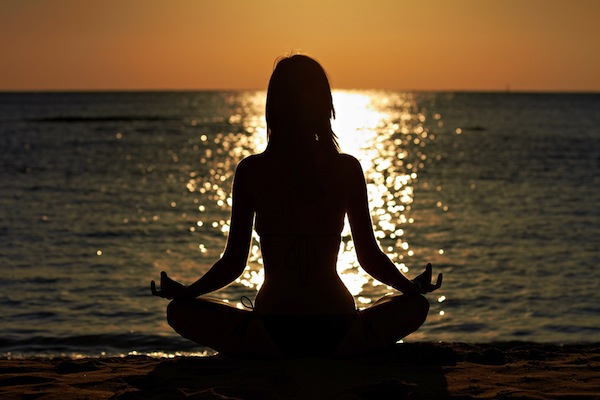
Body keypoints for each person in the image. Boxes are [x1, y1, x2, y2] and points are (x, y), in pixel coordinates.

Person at [151, 54, 442, 358]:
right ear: (324, 105)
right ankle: (349, 348)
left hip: (270, 331)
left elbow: (233, 264)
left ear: (273, 108)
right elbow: (368, 256)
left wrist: (187, 294)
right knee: (415, 306)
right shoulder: (346, 169)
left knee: (179, 312)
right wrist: (410, 288)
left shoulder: (252, 170)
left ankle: (262, 352)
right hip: (339, 328)